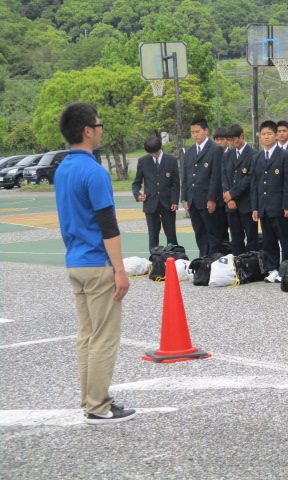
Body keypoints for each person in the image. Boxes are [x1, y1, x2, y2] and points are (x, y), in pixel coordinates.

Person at [55, 102, 135, 424]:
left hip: (75, 261)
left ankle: (90, 400)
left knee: (87, 335)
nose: (101, 130)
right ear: (88, 130)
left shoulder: (62, 169)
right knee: (103, 337)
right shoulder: (95, 172)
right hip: (97, 262)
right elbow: (108, 225)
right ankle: (99, 405)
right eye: (99, 126)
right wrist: (120, 270)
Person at [251, 120, 288, 282]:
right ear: (259, 137)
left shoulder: (285, 156)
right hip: (264, 207)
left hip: (280, 207)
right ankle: (273, 269)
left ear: (276, 135)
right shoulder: (257, 157)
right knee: (268, 241)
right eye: (263, 134)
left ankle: (287, 268)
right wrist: (255, 208)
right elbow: (254, 184)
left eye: (269, 133)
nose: (266, 137)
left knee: (285, 240)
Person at [181, 118, 226, 257]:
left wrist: (212, 199)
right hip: (193, 199)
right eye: (192, 132)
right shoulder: (189, 151)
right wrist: (184, 198)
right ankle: (203, 259)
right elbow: (186, 176)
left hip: (207, 199)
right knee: (199, 232)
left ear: (206, 130)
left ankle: (212, 260)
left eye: (197, 131)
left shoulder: (215, 149)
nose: (195, 135)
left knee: (213, 233)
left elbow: (216, 177)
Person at [131, 136, 180, 252]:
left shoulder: (171, 160)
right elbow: (136, 183)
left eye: (156, 153)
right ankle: (154, 258)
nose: (154, 155)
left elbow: (175, 183)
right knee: (153, 235)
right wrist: (137, 194)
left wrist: (174, 201)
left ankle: (174, 256)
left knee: (171, 234)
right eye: (151, 154)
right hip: (150, 204)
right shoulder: (143, 161)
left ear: (161, 147)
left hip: (168, 203)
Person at [222, 124, 259, 255]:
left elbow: (250, 178)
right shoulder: (227, 155)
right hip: (231, 205)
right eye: (229, 140)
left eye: (234, 139)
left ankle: (252, 262)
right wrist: (228, 198)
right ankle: (238, 263)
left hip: (246, 203)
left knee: (252, 238)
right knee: (236, 239)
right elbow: (224, 177)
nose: (231, 143)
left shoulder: (254, 154)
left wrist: (232, 194)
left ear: (241, 136)